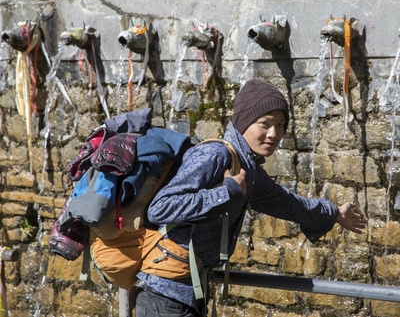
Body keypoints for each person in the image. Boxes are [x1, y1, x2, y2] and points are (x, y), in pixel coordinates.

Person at [134, 79, 367, 317]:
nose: (274, 134)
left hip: (189, 289)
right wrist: (225, 193)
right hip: (164, 294)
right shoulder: (215, 154)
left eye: (280, 125)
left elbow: (286, 203)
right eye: (264, 124)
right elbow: (160, 208)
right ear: (244, 122)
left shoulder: (247, 168)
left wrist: (334, 213)